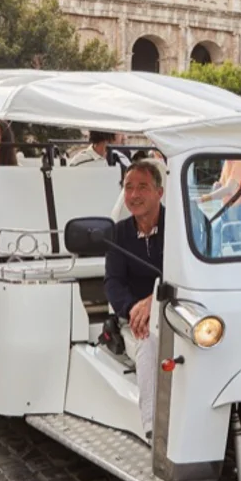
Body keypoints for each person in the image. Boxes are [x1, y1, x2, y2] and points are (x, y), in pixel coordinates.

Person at [104, 161, 165, 442]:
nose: (134, 195)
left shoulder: (182, 227)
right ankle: (154, 429)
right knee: (148, 342)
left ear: (160, 192)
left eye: (143, 187)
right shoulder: (118, 232)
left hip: (177, 307)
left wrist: (155, 300)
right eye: (128, 188)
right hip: (138, 320)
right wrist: (132, 309)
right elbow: (113, 283)